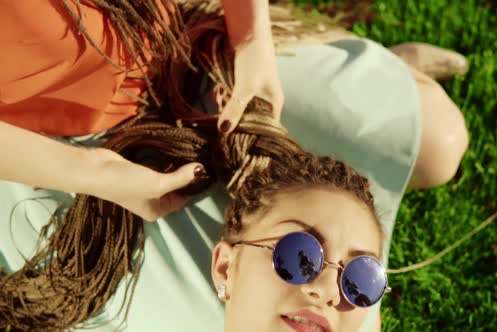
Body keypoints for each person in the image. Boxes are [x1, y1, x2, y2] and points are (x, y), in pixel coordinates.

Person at [0, 0, 469, 331]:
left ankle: (380, 67)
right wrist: (91, 173)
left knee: (441, 146)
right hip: (44, 150)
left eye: (364, 279)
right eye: (299, 257)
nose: (330, 291)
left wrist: (252, 39)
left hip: (178, 51)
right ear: (224, 264)